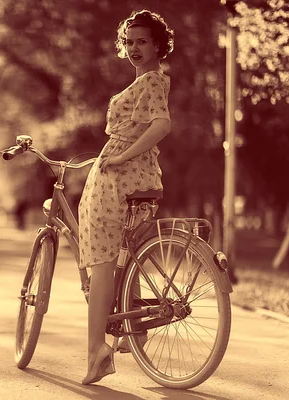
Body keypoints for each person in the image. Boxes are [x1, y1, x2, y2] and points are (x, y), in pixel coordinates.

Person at [78, 9, 174, 385]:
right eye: (129, 41)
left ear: (157, 46)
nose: (134, 48)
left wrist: (119, 156)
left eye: (142, 41)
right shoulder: (148, 82)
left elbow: (162, 125)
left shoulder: (151, 81)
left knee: (101, 265)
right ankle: (130, 328)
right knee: (119, 255)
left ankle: (95, 352)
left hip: (120, 180)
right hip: (131, 177)